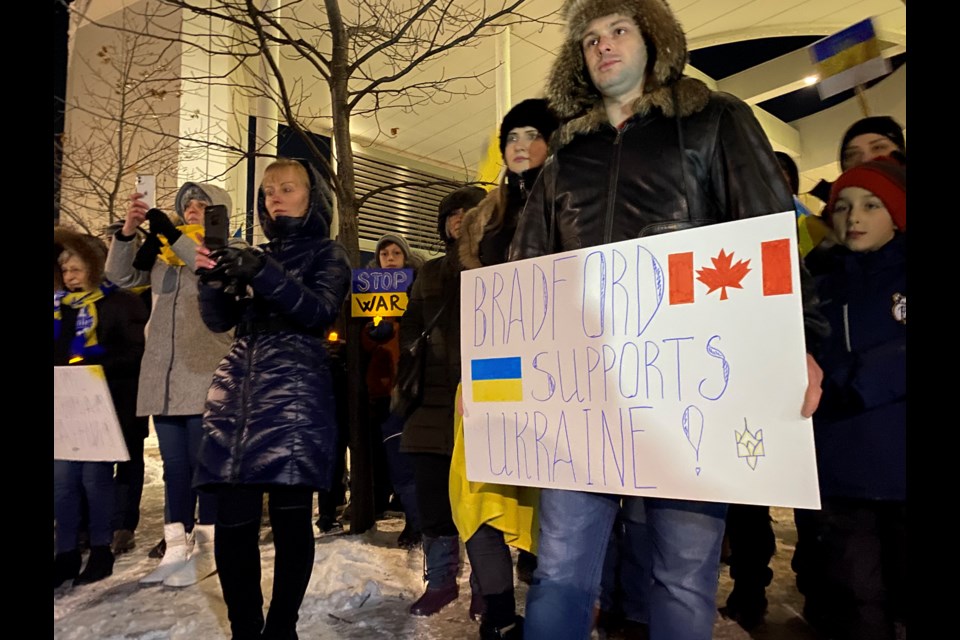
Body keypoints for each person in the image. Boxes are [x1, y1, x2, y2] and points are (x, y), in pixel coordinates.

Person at [507, 1, 827, 638]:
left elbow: (768, 238)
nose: (603, 46)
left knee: (682, 575)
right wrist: (490, 377)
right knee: (562, 571)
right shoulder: (567, 154)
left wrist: (802, 339)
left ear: (653, 40)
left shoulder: (715, 121)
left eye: (618, 30)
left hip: (691, 392)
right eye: (591, 37)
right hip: (584, 396)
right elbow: (527, 275)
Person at [193, 158, 351, 639]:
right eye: (267, 191)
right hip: (238, 391)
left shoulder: (329, 253)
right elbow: (220, 321)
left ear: (313, 198)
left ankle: (282, 627)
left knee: (290, 518)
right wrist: (212, 279)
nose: (274, 197)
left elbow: (317, 311)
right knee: (233, 520)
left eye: (287, 188)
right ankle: (245, 627)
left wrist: (261, 272)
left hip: (296, 391)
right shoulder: (252, 252)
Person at [452, 98, 559, 639]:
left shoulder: (574, 202)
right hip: (491, 370)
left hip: (559, 377)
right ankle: (498, 616)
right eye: (510, 136)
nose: (519, 145)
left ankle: (547, 609)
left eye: (531, 134)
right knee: (475, 496)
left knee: (550, 503)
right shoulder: (485, 218)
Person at [105, 181, 234, 587]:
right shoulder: (165, 254)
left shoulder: (226, 251)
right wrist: (128, 232)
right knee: (175, 469)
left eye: (201, 205)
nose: (192, 209)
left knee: (203, 464)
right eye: (186, 205)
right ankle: (176, 545)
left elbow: (206, 268)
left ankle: (210, 548)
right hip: (162, 374)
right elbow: (119, 277)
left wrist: (171, 234)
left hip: (204, 370)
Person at [801, 157, 906, 640]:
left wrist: (847, 381)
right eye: (842, 206)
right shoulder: (817, 284)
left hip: (898, 460)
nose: (854, 217)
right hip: (843, 469)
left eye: (871, 205)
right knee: (858, 594)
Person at [399, 185, 487, 617]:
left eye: (469, 211)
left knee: (482, 503)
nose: (459, 218)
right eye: (452, 213)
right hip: (432, 406)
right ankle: (441, 581)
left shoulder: (500, 264)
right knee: (433, 502)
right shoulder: (428, 273)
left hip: (485, 404)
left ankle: (488, 586)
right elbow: (409, 332)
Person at [54, 227, 148, 587]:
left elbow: (135, 354)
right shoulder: (60, 308)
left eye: (77, 269)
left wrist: (95, 361)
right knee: (62, 483)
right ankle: (65, 554)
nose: (71, 277)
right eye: (66, 271)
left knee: (96, 481)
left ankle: (100, 549)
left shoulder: (121, 303)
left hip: (107, 408)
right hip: (67, 411)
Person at [362, 233, 425, 548]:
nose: (389, 257)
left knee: (416, 458)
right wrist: (375, 332)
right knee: (395, 456)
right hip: (385, 389)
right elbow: (364, 342)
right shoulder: (370, 295)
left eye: (395, 251)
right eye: (383, 252)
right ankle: (415, 521)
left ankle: (421, 522)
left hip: (417, 386)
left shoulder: (420, 289)